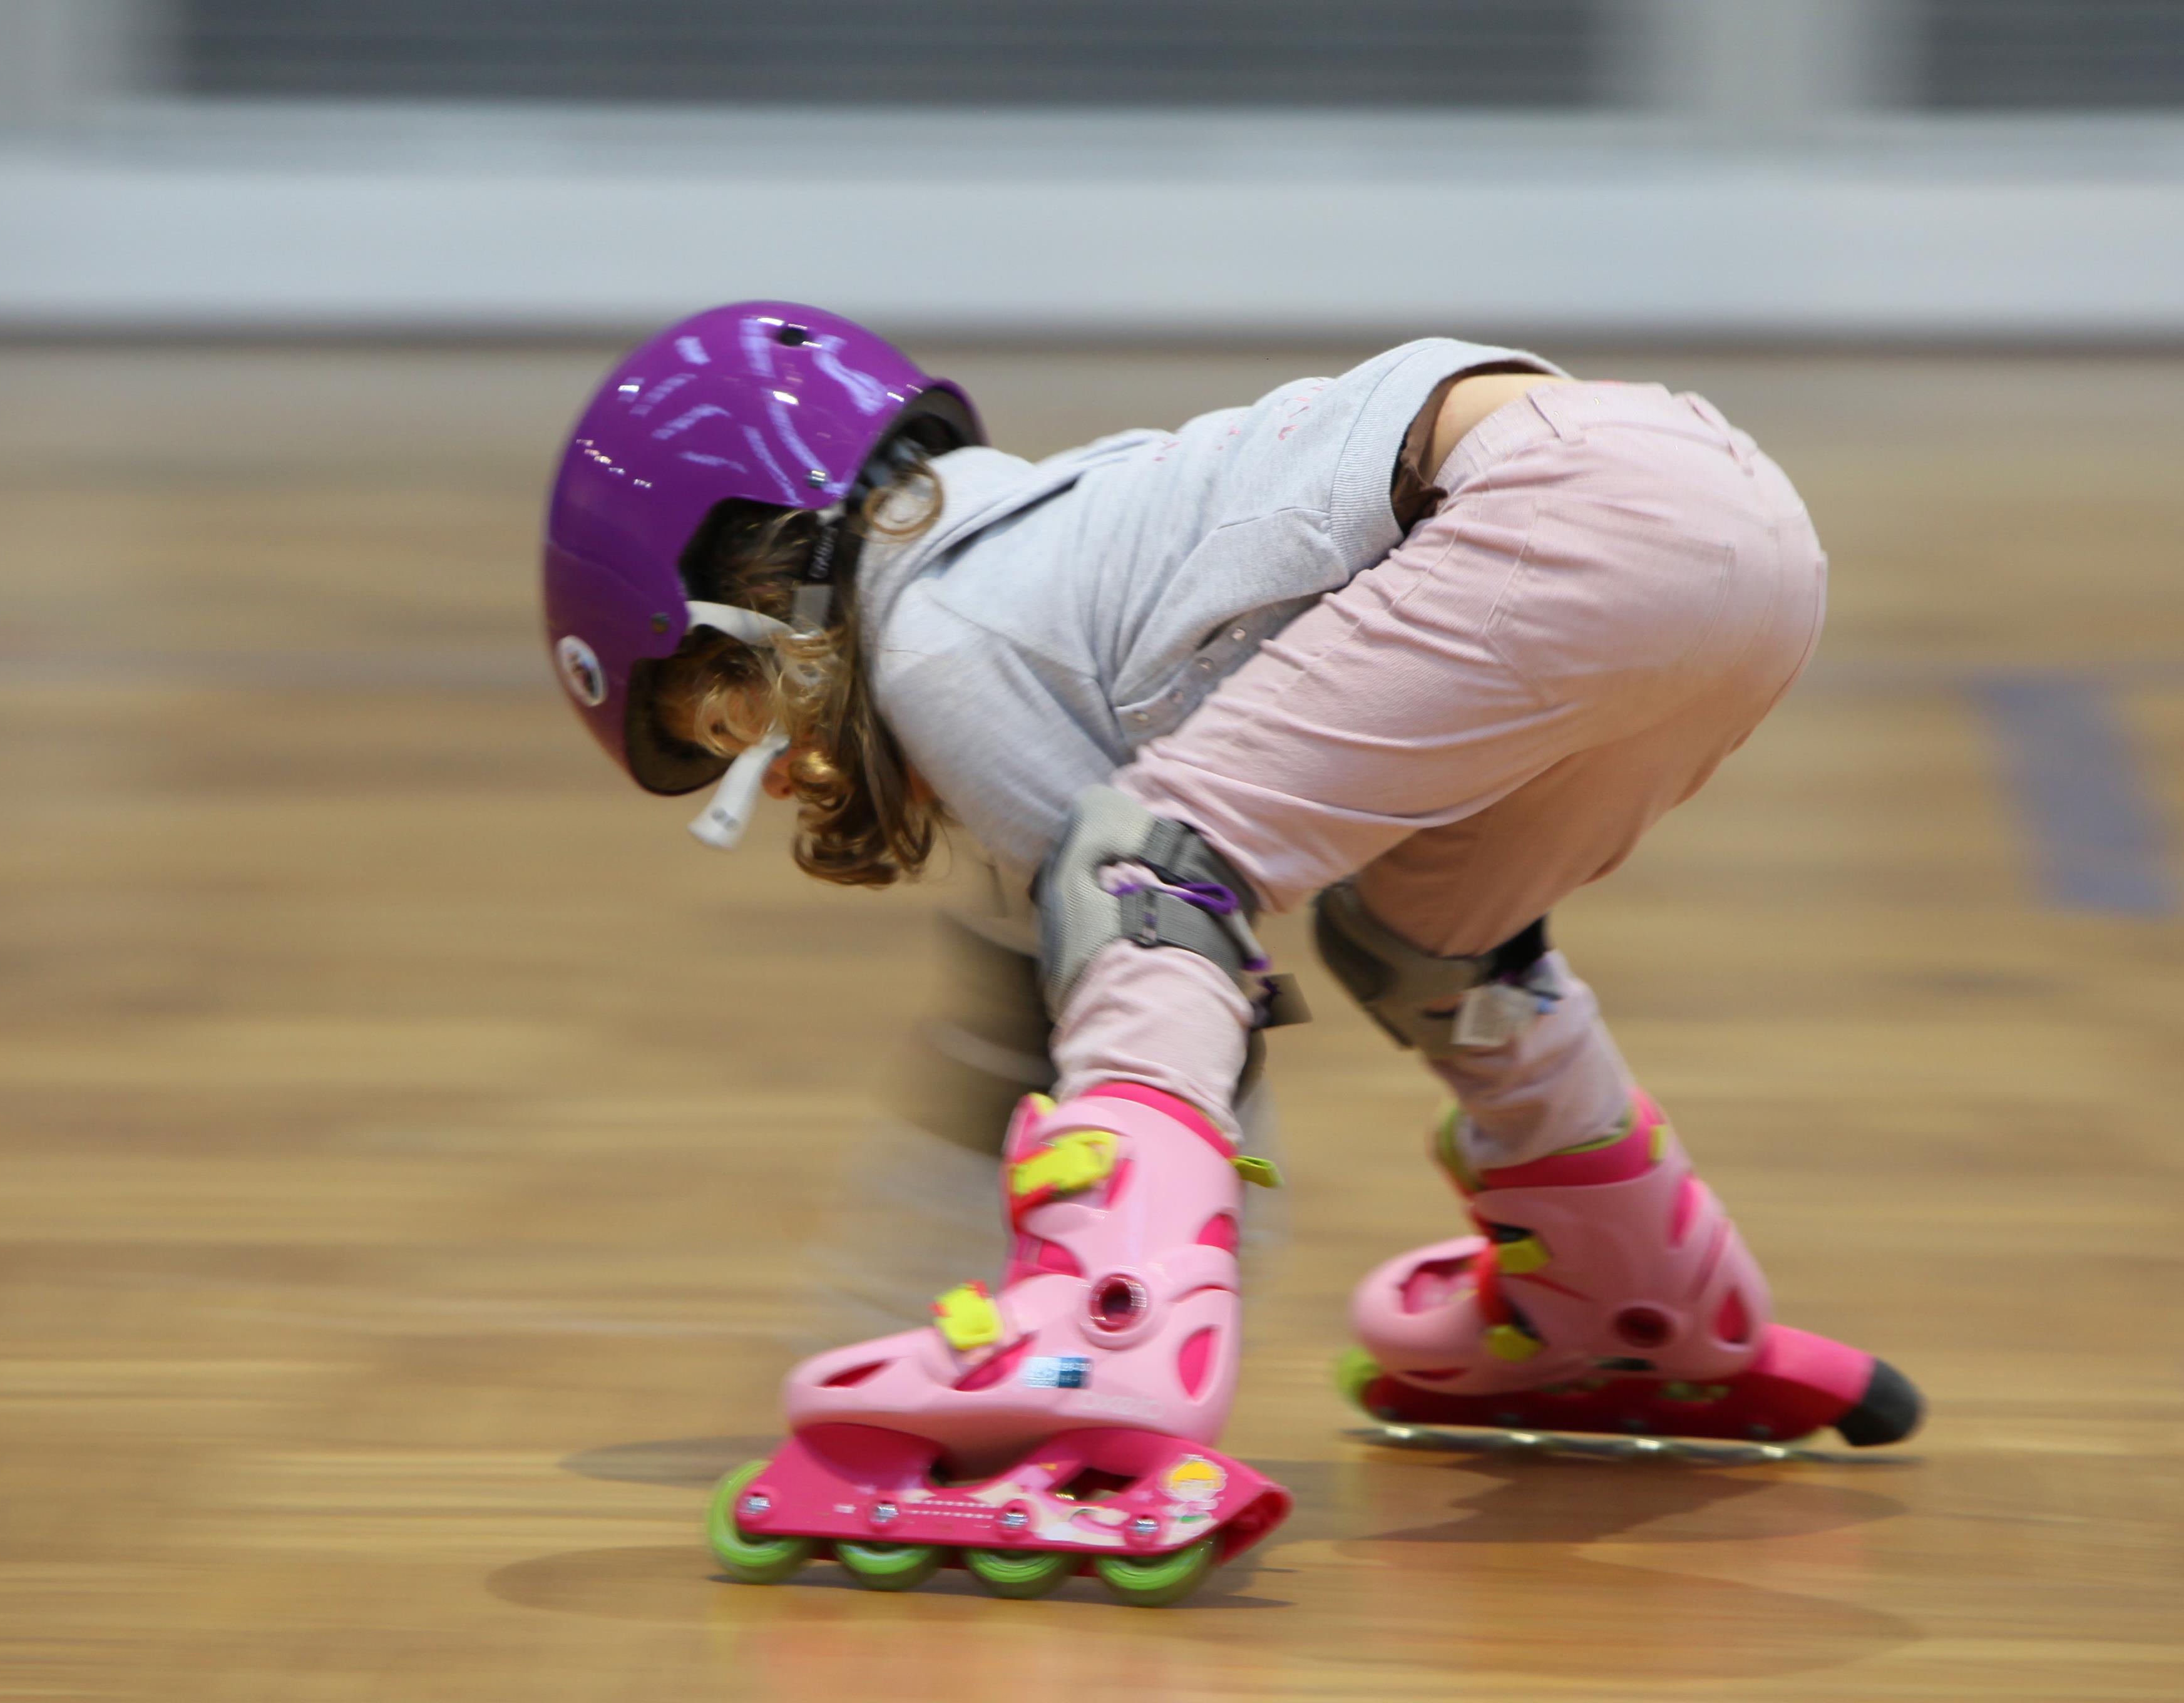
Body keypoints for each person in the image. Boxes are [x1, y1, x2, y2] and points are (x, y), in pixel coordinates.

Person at [540, 302, 1922, 1603]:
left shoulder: (936, 637)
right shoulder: (1026, 537)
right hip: (1737, 529)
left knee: (1142, 869)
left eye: (731, 724)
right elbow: (1072, 980)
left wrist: (1084, 1288)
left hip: (1573, 511)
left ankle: (1106, 1333)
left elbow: (1140, 933)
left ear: (758, 580)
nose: (776, 778)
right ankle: (1633, 1298)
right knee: (1428, 943)